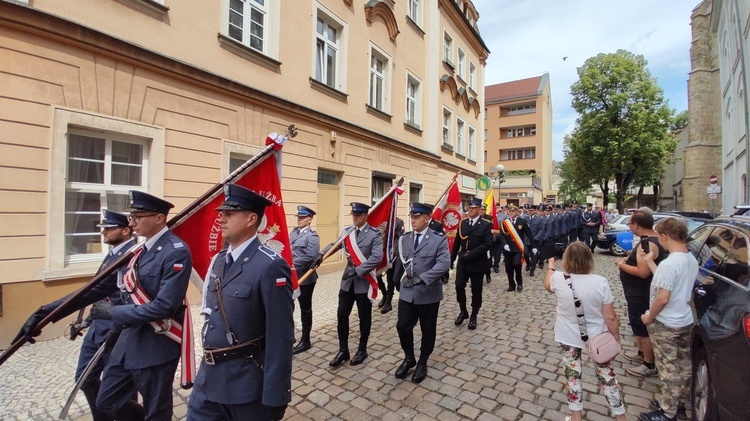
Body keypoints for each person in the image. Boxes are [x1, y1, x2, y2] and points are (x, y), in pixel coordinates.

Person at [14, 191, 193, 420]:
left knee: (156, 411)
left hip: (156, 344)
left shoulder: (175, 251)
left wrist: (113, 312)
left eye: (138, 216)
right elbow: (95, 289)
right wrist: (44, 313)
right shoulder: (138, 251)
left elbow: (164, 307)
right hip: (127, 341)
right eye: (131, 216)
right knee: (107, 401)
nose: (132, 221)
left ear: (159, 218)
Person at [188, 184, 293, 421]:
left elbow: (281, 336)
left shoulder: (269, 265)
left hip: (245, 384)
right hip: (208, 379)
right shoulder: (218, 261)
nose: (221, 218)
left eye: (229, 214)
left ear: (251, 219)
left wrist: (276, 396)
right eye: (221, 213)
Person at [61, 210, 136, 421]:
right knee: (85, 379)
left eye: (109, 228)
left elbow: (129, 298)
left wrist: (116, 328)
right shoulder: (112, 253)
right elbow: (98, 291)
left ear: (125, 230)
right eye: (103, 228)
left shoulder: (132, 255)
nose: (104, 232)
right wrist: (86, 321)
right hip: (98, 327)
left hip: (117, 329)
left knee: (123, 388)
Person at [544, 242, 627, 421]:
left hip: (568, 335)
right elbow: (610, 317)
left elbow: (548, 286)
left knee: (573, 375)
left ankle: (576, 416)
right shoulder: (600, 282)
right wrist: (616, 338)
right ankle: (620, 416)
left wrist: (551, 266)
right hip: (598, 336)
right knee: (607, 376)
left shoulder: (558, 278)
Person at [638, 218, 698, 421]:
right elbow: (666, 282)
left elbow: (663, 298)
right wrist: (650, 262)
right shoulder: (689, 259)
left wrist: (649, 317)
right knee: (684, 365)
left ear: (664, 236)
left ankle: (667, 412)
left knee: (668, 367)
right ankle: (678, 402)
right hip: (684, 319)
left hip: (666, 322)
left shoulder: (670, 263)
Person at [392, 203, 450, 383]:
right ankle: (409, 357)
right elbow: (401, 260)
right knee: (402, 326)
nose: (413, 220)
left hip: (428, 292)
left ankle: (423, 361)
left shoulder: (438, 239)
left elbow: (443, 264)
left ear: (427, 218)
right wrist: (395, 278)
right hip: (408, 290)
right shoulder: (405, 238)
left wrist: (423, 278)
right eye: (412, 217)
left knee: (427, 329)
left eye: (417, 217)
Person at [320, 202, 383, 367]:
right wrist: (321, 253)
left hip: (363, 282)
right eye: (353, 214)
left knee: (364, 318)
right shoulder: (347, 231)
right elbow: (335, 244)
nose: (355, 217)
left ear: (365, 216)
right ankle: (343, 350)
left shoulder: (374, 234)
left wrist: (359, 270)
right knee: (341, 316)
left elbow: (376, 257)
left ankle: (362, 349)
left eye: (358, 214)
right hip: (347, 283)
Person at [614, 210, 666, 379]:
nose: (629, 227)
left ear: (636, 225)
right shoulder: (653, 239)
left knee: (642, 327)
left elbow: (642, 272)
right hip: (638, 291)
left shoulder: (647, 244)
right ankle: (642, 353)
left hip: (640, 292)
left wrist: (621, 264)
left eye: (629, 224)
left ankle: (648, 364)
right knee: (637, 325)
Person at [450, 198, 492, 330]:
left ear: (479, 209)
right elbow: (457, 241)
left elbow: (487, 244)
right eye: (469, 208)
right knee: (459, 286)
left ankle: (474, 315)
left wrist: (471, 254)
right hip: (463, 261)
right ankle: (463, 311)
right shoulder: (463, 223)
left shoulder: (486, 224)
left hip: (477, 262)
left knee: (476, 290)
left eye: (473, 208)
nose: (470, 210)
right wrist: (451, 260)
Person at [290, 205, 320, 355]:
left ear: (309, 220)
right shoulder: (293, 232)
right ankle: (290, 337)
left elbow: (310, 257)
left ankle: (306, 339)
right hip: (290, 277)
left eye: (302, 218)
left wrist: (291, 264)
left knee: (305, 309)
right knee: (289, 307)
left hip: (305, 278)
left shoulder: (312, 237)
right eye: (298, 217)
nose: (299, 220)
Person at [498, 204, 537, 291]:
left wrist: (533, 246)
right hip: (508, 249)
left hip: (518, 248)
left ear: (517, 212)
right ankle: (511, 284)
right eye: (510, 211)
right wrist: (505, 244)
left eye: (513, 211)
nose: (511, 213)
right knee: (508, 267)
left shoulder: (522, 222)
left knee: (517, 264)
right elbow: (502, 235)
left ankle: (519, 283)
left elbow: (529, 234)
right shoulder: (505, 222)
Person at [377, 216, 404, 313]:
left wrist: (392, 254)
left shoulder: (399, 222)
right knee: (377, 276)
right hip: (380, 253)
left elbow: (399, 240)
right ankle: (384, 294)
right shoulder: (382, 220)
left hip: (392, 254)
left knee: (390, 278)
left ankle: (388, 302)